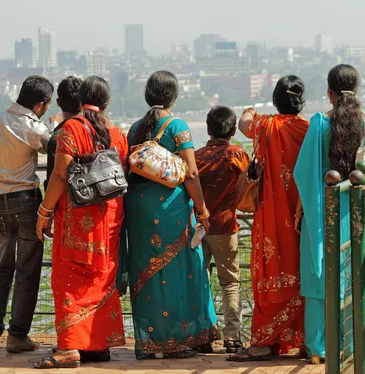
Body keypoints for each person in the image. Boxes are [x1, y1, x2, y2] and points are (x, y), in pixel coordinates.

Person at [294, 65, 365, 364]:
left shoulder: (320, 122)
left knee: (319, 272)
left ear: (329, 91)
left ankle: (318, 348)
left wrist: (303, 207)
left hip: (324, 206)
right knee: (353, 271)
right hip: (357, 206)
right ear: (357, 89)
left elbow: (303, 171)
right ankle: (351, 344)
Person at [122, 71, 218, 360]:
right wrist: (202, 210)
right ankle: (177, 340)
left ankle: (150, 342)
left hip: (138, 208)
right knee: (178, 271)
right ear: (174, 97)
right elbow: (190, 172)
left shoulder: (135, 129)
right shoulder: (177, 125)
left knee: (146, 272)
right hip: (171, 209)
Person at [33, 76, 127, 368]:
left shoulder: (72, 129)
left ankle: (70, 348)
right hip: (109, 219)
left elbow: (60, 175)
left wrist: (43, 212)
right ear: (107, 101)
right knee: (102, 279)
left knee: (70, 279)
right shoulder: (118, 133)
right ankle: (98, 345)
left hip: (77, 219)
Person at [228, 76, 309, 361]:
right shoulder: (309, 129)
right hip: (303, 216)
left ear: (276, 101)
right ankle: (306, 340)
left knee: (269, 274)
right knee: (303, 274)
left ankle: (262, 343)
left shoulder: (265, 126)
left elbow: (243, 123)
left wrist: (252, 108)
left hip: (271, 218)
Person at [0, 75, 53, 352]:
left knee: (2, 269)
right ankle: (18, 335)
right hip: (26, 203)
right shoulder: (33, 127)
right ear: (41, 104)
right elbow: (54, 146)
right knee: (27, 271)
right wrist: (53, 126)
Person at [195, 106, 250, 354]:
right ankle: (232, 337)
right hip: (226, 226)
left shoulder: (196, 156)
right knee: (230, 283)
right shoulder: (236, 154)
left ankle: (203, 335)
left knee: (200, 281)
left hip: (198, 228)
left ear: (208, 128)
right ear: (232, 129)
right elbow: (249, 184)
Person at [44, 76, 83, 191]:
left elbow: (54, 178)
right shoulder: (95, 131)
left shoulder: (58, 137)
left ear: (58, 102)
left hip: (66, 204)